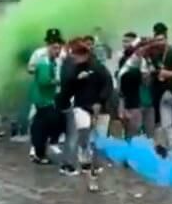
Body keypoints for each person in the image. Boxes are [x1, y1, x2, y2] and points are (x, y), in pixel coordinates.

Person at [57, 41, 112, 179]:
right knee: (83, 132)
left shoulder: (98, 67)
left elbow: (107, 84)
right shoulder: (72, 67)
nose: (75, 58)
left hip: (98, 106)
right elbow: (67, 86)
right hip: (80, 105)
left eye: (77, 55)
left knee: (97, 136)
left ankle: (91, 162)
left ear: (85, 55)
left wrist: (100, 101)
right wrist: (76, 79)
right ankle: (75, 161)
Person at [29, 36, 63, 165]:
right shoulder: (44, 63)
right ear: (48, 47)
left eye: (59, 48)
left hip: (47, 99)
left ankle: (40, 152)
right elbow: (44, 81)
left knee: (42, 125)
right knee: (43, 126)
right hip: (43, 100)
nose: (57, 51)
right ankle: (39, 153)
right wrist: (59, 81)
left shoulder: (51, 62)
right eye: (55, 48)